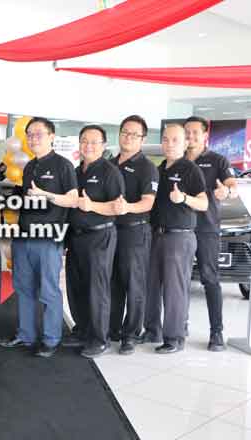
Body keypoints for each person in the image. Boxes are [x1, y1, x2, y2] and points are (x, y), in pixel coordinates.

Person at [1, 117, 78, 358]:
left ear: (51, 136)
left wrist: (46, 195)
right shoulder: (30, 167)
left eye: (38, 134)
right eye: (30, 135)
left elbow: (73, 199)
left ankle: (51, 339)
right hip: (24, 237)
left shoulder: (63, 166)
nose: (33, 139)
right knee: (23, 288)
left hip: (48, 240)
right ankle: (26, 334)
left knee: (48, 290)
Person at [143, 124, 208, 354]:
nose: (169, 144)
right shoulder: (158, 169)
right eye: (165, 139)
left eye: (174, 140)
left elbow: (204, 203)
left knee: (174, 290)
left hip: (179, 238)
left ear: (184, 143)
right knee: (151, 286)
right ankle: (152, 330)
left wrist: (183, 198)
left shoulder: (190, 170)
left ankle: (174, 338)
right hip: (156, 235)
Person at [65, 125, 125, 358]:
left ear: (103, 145)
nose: (88, 146)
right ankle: (82, 330)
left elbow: (117, 207)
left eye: (93, 142)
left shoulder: (110, 172)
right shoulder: (74, 171)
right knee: (76, 286)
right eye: (84, 141)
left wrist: (92, 206)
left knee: (97, 289)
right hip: (76, 236)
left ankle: (100, 339)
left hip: (100, 236)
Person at [184, 116, 238, 351]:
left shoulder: (217, 160)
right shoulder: (176, 159)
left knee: (209, 279)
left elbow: (232, 186)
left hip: (206, 228)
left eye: (195, 132)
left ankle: (216, 332)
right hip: (179, 229)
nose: (190, 137)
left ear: (205, 135)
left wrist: (226, 191)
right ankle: (179, 326)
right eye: (187, 132)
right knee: (179, 281)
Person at [109, 115, 159, 355]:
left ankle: (131, 334)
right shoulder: (110, 162)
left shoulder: (146, 167)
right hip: (109, 233)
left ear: (142, 138)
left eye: (134, 134)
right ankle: (113, 330)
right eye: (125, 132)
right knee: (113, 283)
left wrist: (127, 207)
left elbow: (148, 202)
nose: (128, 137)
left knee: (134, 285)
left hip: (134, 232)